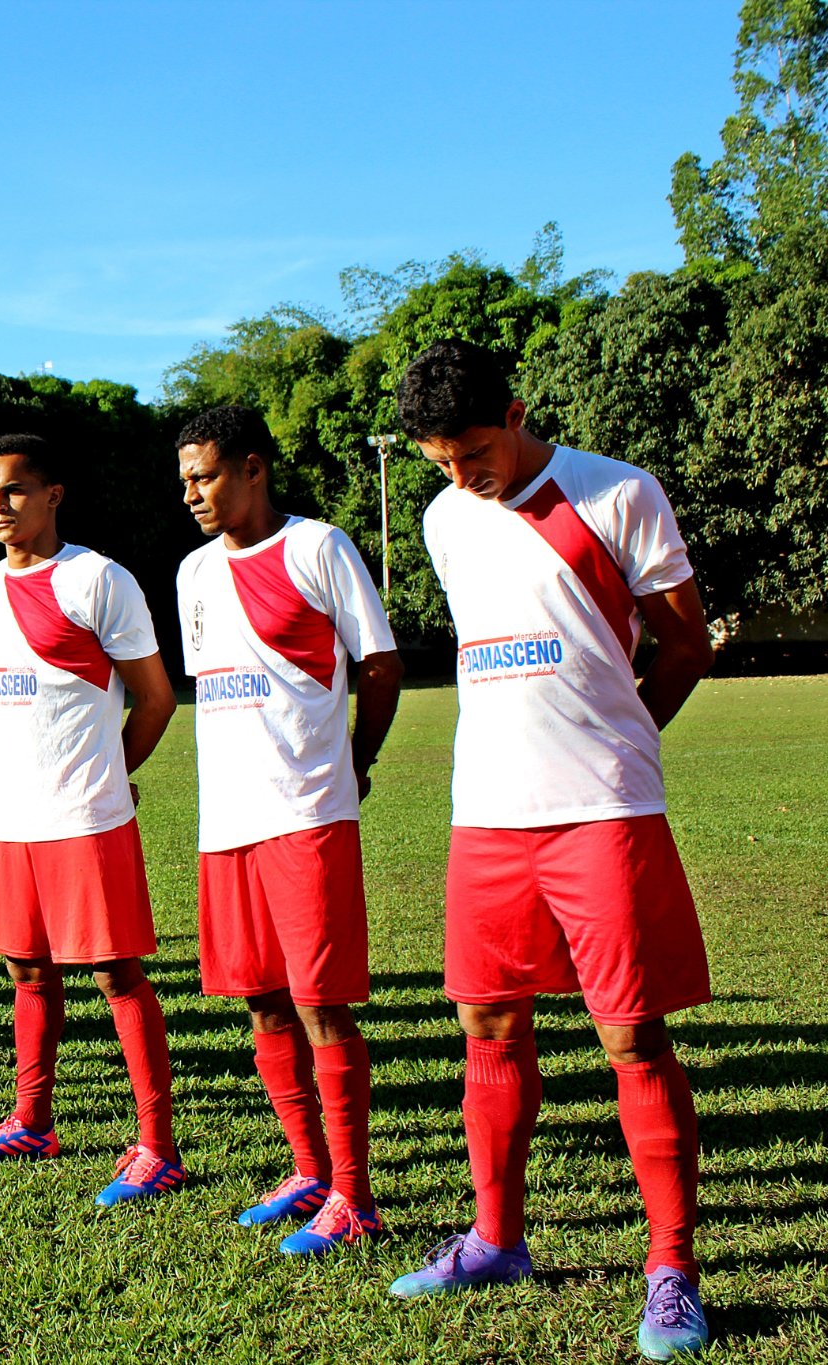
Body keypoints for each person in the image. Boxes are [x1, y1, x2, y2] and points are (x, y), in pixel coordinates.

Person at [386, 340, 715, 1361]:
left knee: (629, 1037)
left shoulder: (615, 494)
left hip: (600, 813)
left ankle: (669, 1271)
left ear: (518, 411)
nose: (460, 476)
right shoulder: (443, 518)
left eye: (474, 451)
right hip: (484, 813)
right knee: (486, 1024)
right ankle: (495, 1238)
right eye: (440, 459)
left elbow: (682, 640)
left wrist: (624, 742)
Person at [173, 406, 403, 1255]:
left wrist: (356, 759)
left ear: (254, 468)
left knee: (320, 1006)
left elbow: (380, 666)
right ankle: (308, 1169)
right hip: (225, 820)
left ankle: (356, 1194)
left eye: (206, 474)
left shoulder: (318, 547)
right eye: (185, 478)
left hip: (305, 811)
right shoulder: (193, 572)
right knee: (263, 999)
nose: (191, 492)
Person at [0, 434, 188, 1208]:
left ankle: (158, 1145)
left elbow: (154, 698)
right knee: (26, 967)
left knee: (116, 973)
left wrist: (112, 774)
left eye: (14, 491)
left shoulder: (97, 578)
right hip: (12, 815)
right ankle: (32, 1119)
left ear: (54, 493)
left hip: (85, 813)